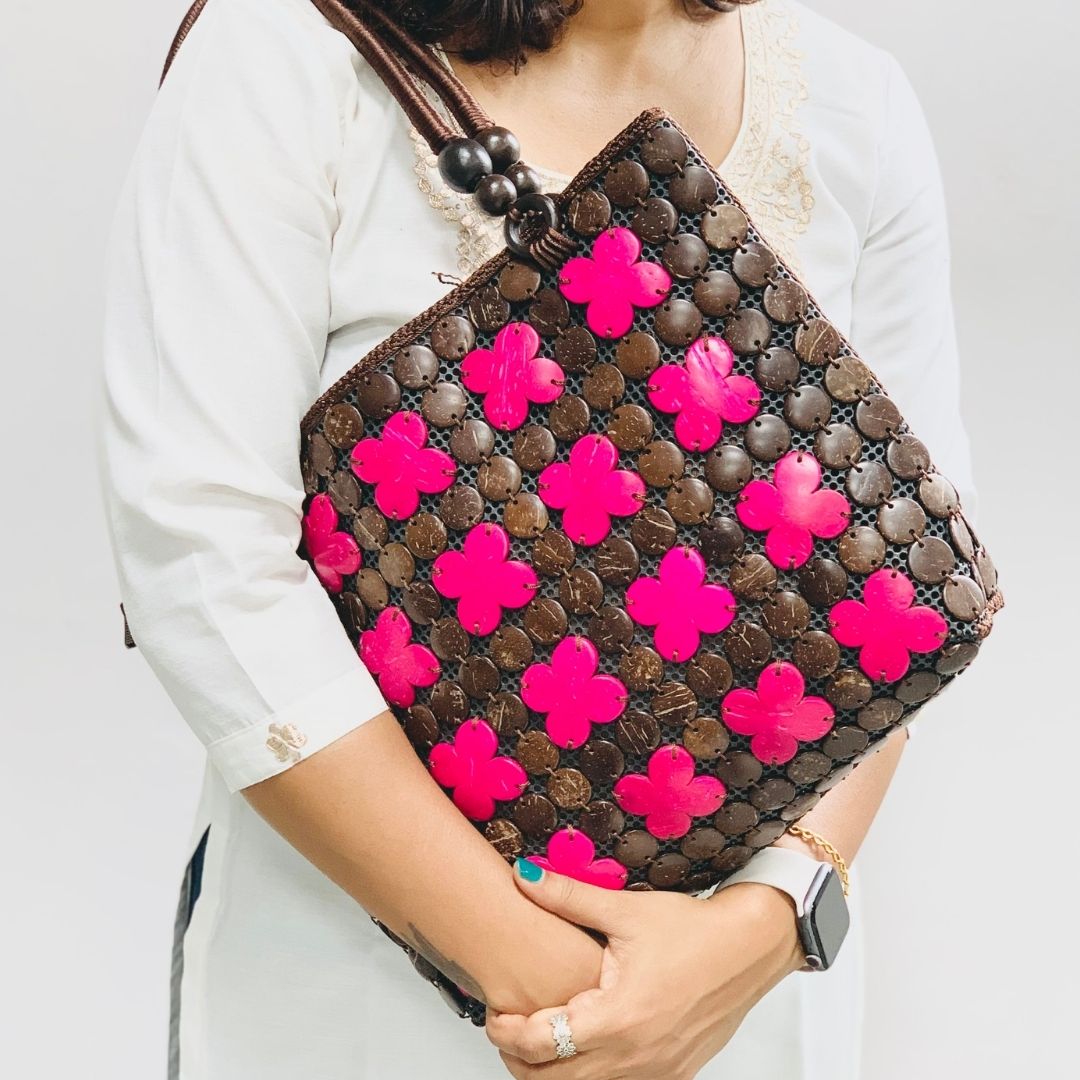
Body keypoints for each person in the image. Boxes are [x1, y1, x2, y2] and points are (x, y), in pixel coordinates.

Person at [95, 1, 979, 1077]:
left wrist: (764, 927)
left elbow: (907, 595)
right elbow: (198, 552)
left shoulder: (855, 104)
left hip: (735, 1015)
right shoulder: (289, 54)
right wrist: (564, 992)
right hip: (352, 1000)